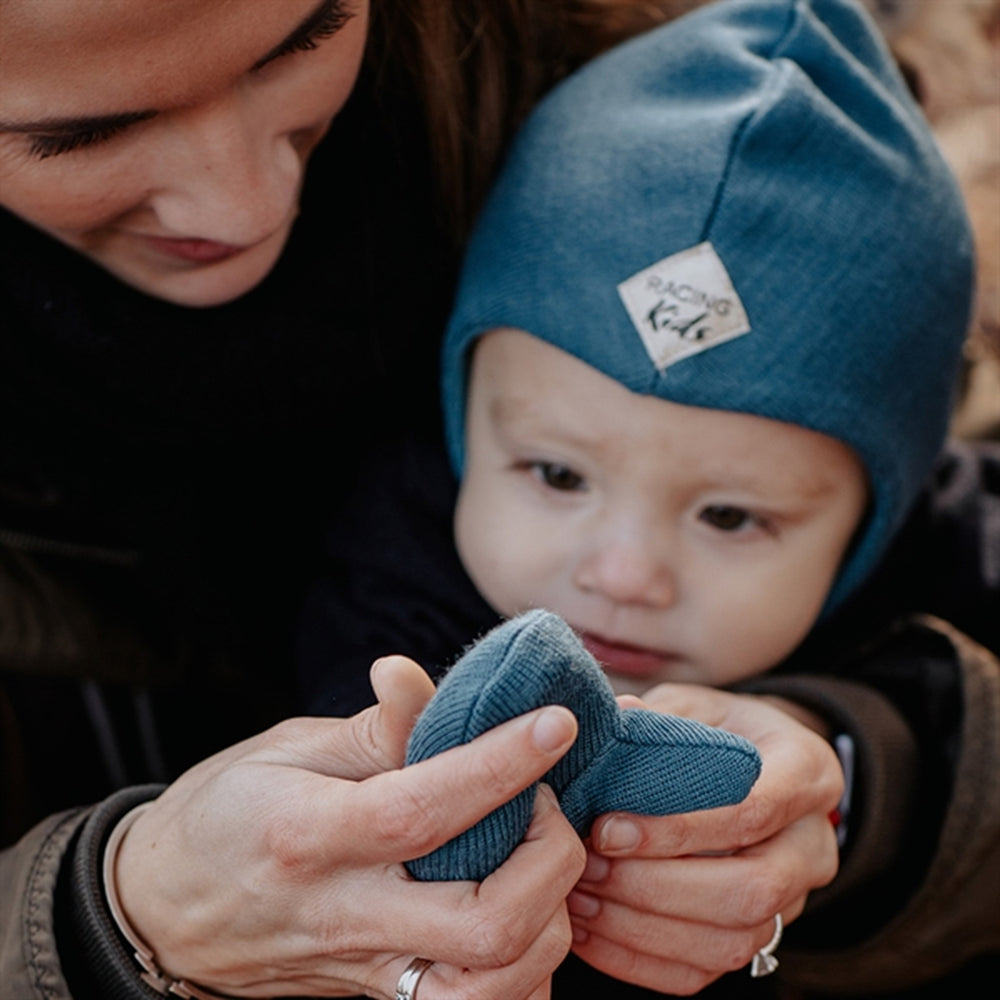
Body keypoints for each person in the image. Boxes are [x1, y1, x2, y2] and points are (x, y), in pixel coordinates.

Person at [301, 0, 1000, 995]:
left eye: (729, 516)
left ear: (874, 520)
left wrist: (871, 766)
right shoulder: (384, 575)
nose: (622, 574)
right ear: (464, 424)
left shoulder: (957, 572)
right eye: (557, 475)